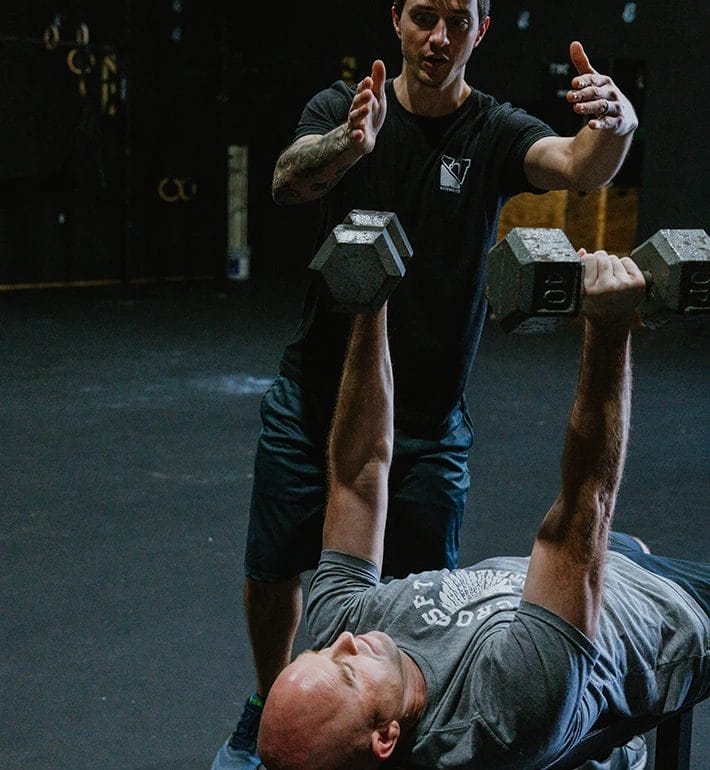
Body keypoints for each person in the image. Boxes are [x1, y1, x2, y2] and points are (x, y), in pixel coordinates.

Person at [212, 2, 640, 767]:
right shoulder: (346, 108)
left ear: (484, 28)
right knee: (272, 567)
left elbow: (578, 165)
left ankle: (386, 736)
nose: (437, 37)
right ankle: (272, 702)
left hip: (430, 415)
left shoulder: (496, 129)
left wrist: (618, 126)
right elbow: (286, 180)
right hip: (317, 394)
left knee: (414, 594)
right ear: (395, 20)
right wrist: (346, 147)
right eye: (422, 16)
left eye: (457, 19)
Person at [256, 250, 709, 770]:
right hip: (670, 610)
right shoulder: (499, 715)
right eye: (348, 671)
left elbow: (359, 476)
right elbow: (581, 517)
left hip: (597, 573)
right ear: (386, 736)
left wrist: (368, 304)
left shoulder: (347, 624)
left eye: (316, 651)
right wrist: (608, 333)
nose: (344, 642)